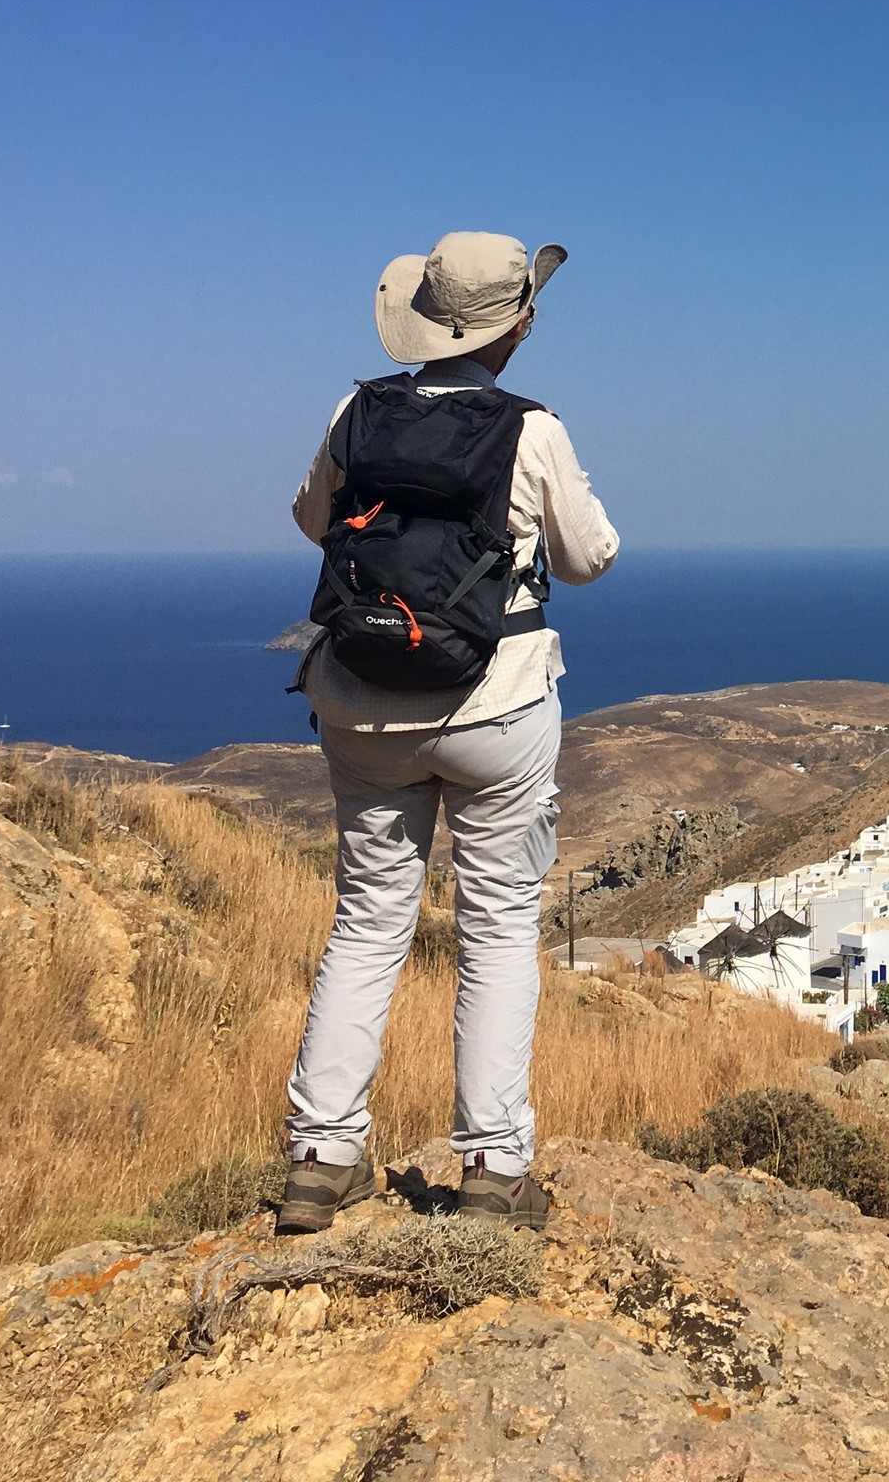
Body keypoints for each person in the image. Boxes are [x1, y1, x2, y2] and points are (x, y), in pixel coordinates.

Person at [278, 232, 619, 1234]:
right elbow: (591, 557)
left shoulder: (357, 411)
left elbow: (310, 520)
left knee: (369, 921)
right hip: (494, 705)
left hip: (362, 696)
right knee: (500, 927)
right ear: (517, 325)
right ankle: (494, 1169)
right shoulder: (531, 429)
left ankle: (321, 1157)